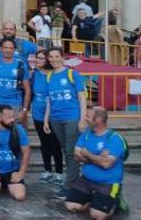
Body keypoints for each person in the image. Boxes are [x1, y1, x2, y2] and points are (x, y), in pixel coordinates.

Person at [65, 106, 128, 220]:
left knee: (98, 215)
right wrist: (98, 158)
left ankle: (116, 201)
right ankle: (94, 199)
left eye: (88, 116)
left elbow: (106, 164)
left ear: (98, 120)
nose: (85, 118)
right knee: (71, 206)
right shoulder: (86, 134)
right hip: (86, 180)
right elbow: (77, 156)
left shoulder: (114, 139)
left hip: (108, 183)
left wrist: (88, 154)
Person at [44, 46, 88, 197]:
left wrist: (82, 119)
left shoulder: (72, 74)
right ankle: (74, 181)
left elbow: (82, 97)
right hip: (55, 119)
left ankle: (70, 185)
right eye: (51, 57)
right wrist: (46, 120)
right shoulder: (49, 77)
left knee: (71, 152)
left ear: (62, 57)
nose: (54, 59)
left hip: (72, 117)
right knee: (66, 150)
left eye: (57, 56)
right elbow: (49, 100)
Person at [31, 50, 64, 186]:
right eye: (36, 58)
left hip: (53, 113)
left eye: (40, 58)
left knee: (55, 143)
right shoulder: (34, 74)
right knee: (44, 143)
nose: (37, 61)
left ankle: (59, 172)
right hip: (38, 113)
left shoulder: (53, 74)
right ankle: (47, 170)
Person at [0, 38, 31, 123]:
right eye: (5, 47)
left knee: (13, 133)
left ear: (14, 50)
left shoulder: (21, 66)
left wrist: (24, 110)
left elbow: (28, 89)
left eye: (10, 48)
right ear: (1, 49)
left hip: (15, 105)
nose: (8, 50)